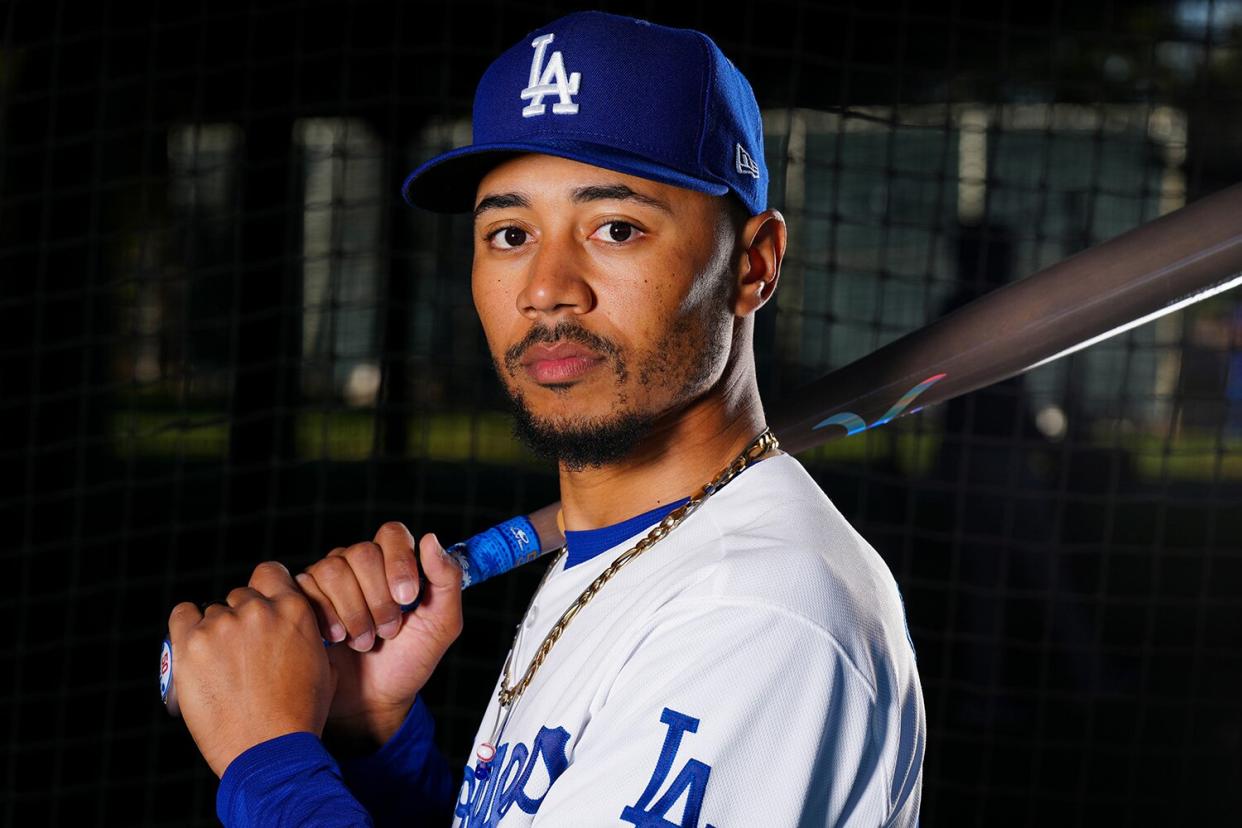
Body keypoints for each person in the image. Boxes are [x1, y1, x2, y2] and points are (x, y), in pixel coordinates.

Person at [167, 10, 926, 826]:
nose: (546, 286)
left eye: (616, 227)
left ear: (753, 264)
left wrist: (269, 761)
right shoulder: (623, 559)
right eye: (510, 232)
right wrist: (377, 745)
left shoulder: (761, 611)